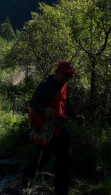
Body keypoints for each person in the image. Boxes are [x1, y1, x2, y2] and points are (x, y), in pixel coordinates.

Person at [22, 62, 84, 195]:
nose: (68, 78)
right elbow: (33, 103)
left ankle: (61, 191)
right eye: (66, 75)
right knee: (43, 157)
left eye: (70, 76)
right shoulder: (45, 85)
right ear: (58, 72)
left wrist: (75, 115)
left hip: (59, 125)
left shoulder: (65, 86)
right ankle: (27, 173)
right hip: (44, 127)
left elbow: (66, 104)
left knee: (65, 158)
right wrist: (44, 111)